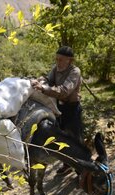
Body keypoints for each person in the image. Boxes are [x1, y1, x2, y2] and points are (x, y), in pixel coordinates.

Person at [31, 45, 84, 175]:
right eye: (57, 59)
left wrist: (43, 89)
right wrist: (41, 80)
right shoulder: (56, 68)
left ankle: (82, 170)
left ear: (69, 60)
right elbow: (49, 79)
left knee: (75, 139)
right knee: (62, 137)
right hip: (59, 108)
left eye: (61, 59)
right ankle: (67, 164)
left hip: (72, 108)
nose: (58, 62)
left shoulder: (75, 71)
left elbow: (64, 91)